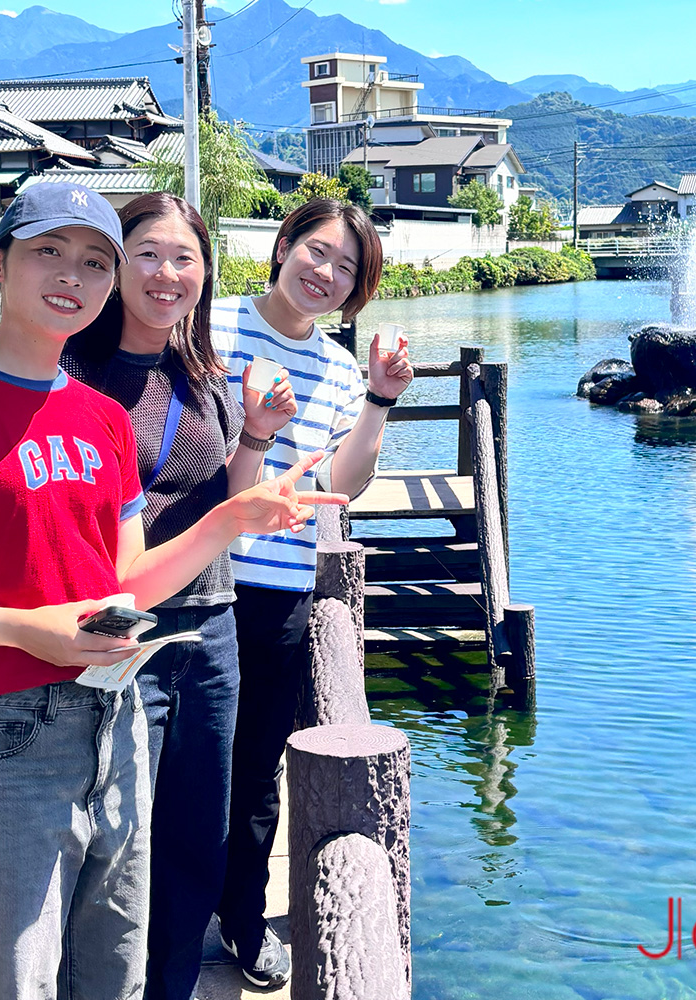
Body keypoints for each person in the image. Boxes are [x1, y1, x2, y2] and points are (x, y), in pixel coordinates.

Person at [0, 183, 343, 1000]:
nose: (74, 274)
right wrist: (24, 630)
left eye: (95, 261)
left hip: (117, 723)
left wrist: (230, 519)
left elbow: (126, 582)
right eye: (49, 252)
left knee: (112, 973)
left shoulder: (99, 419)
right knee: (11, 981)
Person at [59, 192, 297, 1000]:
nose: (168, 273)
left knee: (199, 831)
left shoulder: (201, 373)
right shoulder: (72, 373)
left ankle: (170, 987)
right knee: (116, 835)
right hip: (121, 629)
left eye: (185, 258)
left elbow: (230, 499)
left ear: (205, 273)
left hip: (213, 625)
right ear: (116, 263)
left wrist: (258, 434)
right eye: (149, 254)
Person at [209, 198, 413, 988]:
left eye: (347, 269)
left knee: (258, 765)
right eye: (316, 251)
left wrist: (380, 399)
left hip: (279, 584)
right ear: (283, 244)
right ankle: (159, 912)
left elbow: (340, 483)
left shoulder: (333, 365)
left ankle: (240, 920)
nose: (325, 273)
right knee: (175, 757)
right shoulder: (209, 326)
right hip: (194, 575)